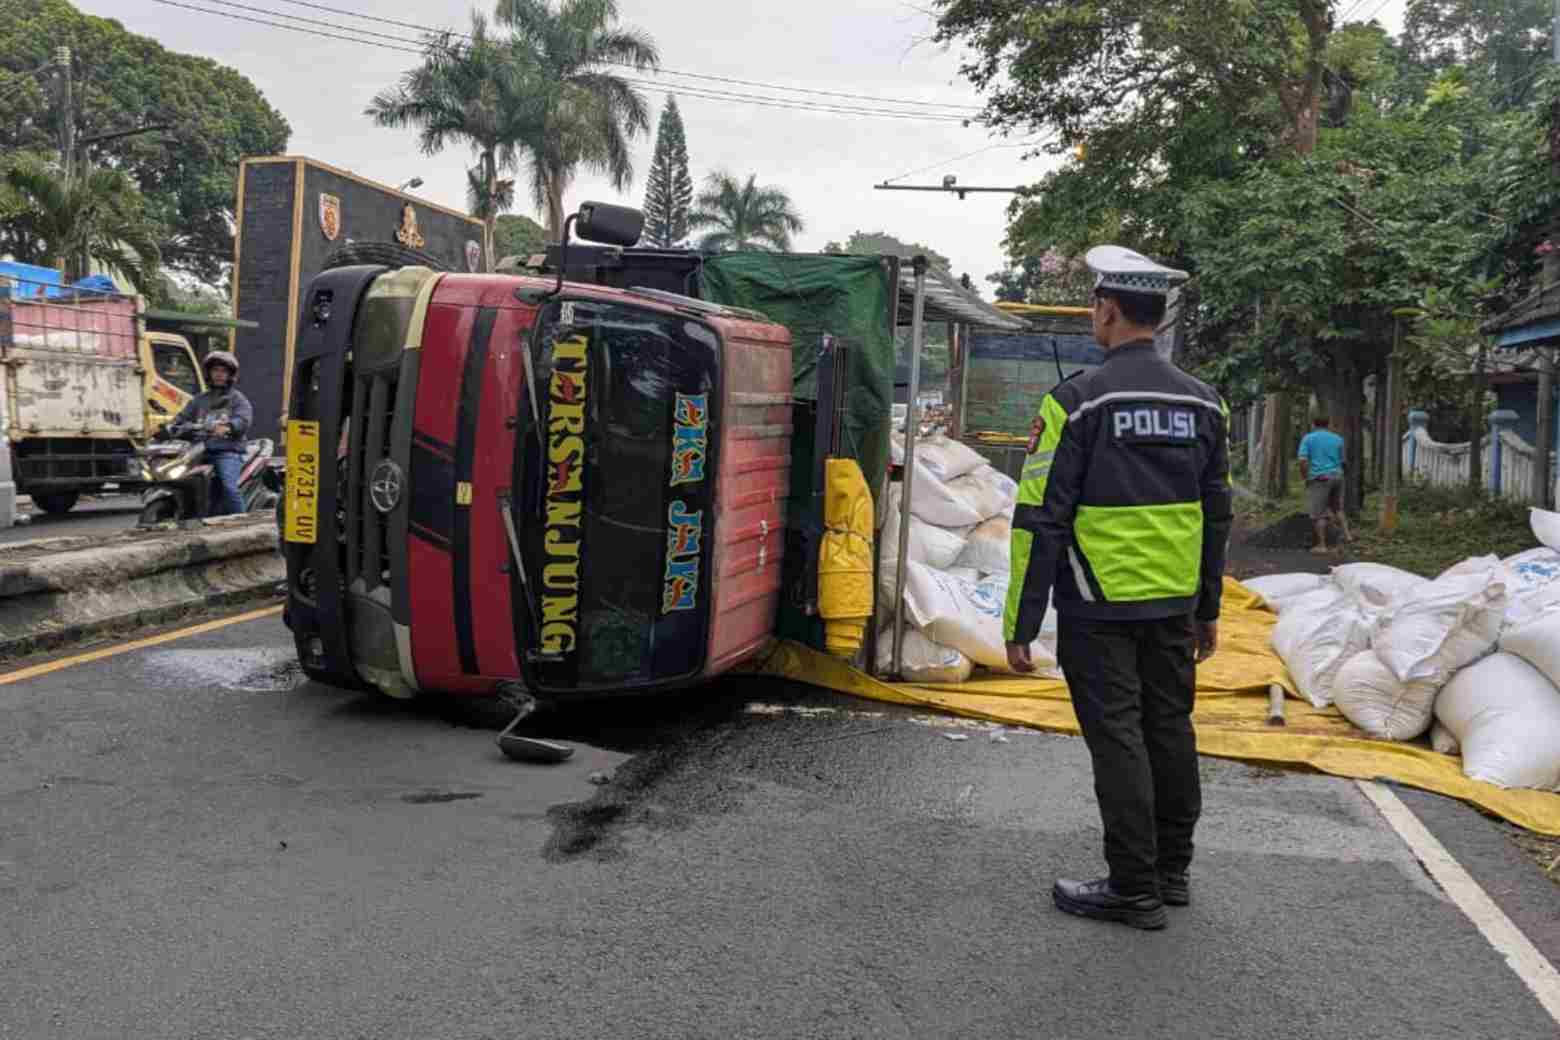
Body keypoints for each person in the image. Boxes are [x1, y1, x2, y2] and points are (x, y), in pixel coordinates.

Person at [1003, 245, 1233, 931]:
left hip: (1097, 603)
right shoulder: (1205, 403)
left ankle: (1132, 887)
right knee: (1169, 727)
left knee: (1119, 739)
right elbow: (1218, 513)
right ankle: (1170, 873)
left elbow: (1039, 518)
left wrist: (1021, 623)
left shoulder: (1075, 403)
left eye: (1093, 306)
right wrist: (1208, 607)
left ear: (1107, 310)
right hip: (1174, 602)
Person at [167, 350, 253, 516]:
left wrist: (229, 426)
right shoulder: (199, 400)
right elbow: (181, 418)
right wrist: (169, 427)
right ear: (209, 373)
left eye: (223, 371)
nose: (219, 374)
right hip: (198, 451)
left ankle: (242, 522)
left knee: (229, 487)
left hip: (227, 451)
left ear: (230, 375)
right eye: (215, 370)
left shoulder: (237, 399)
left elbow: (243, 419)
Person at [1297, 416, 1350, 554]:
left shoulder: (1308, 438)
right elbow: (1343, 461)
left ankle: (1322, 545)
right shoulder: (1338, 439)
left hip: (1320, 478)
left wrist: (1305, 477)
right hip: (1337, 476)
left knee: (1318, 514)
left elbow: (1302, 461)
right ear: (1328, 424)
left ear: (1313, 424)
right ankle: (1347, 536)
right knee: (1337, 508)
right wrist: (1341, 475)